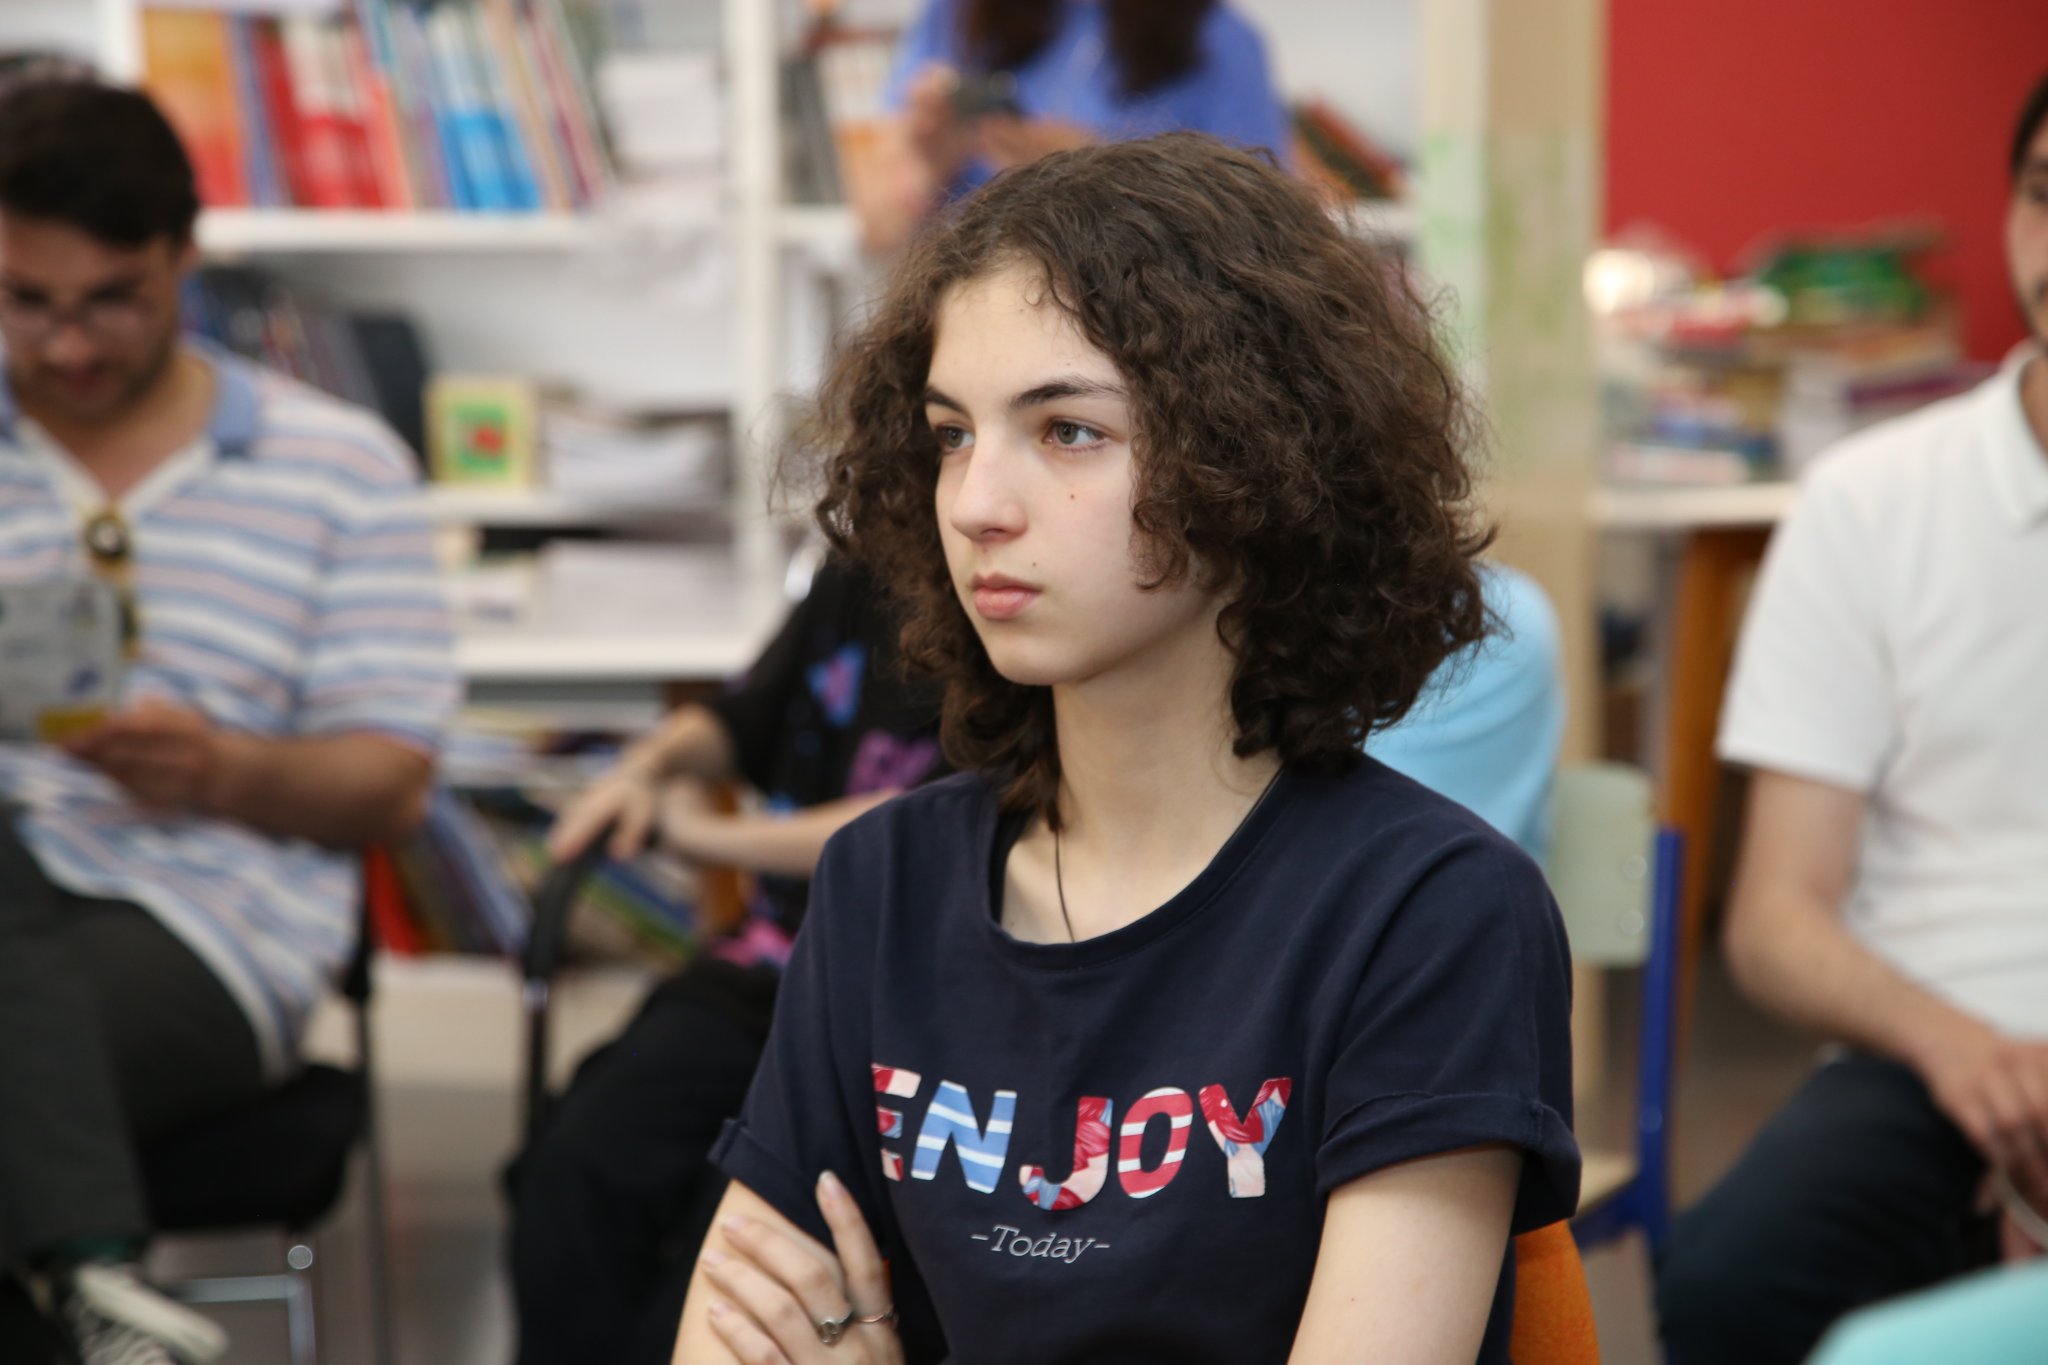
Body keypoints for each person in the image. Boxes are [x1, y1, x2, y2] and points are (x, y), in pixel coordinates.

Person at [669, 132, 1579, 1363]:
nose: (976, 504)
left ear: (1253, 460)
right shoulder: (882, 883)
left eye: (1066, 431)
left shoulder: (1428, 912)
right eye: (950, 433)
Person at [0, 80, 455, 1365]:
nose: (68, 346)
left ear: (184, 258)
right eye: (24, 302)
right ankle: (93, 1288)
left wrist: (218, 769)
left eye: (111, 301)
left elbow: (391, 786)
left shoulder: (337, 467)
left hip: (204, 924)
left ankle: (89, 1276)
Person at [1655, 72, 2048, 1365]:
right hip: (1934, 1051)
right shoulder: (1869, 501)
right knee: (1731, 1283)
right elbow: (1773, 919)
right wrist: (1961, 1051)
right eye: (2045, 195)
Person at [508, 553, 946, 1365]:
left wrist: (701, 835)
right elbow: (738, 718)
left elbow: (917, 827)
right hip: (764, 967)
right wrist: (643, 770)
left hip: (904, 998)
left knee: (736, 1241)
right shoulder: (862, 571)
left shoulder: (1020, 615)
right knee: (576, 1165)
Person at [858, 0, 1289, 255]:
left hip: (1136, 333)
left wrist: (1100, 175)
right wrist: (926, 166)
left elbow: (1263, 236)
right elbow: (878, 230)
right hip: (967, 309)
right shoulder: (961, 15)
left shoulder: (1220, 41)